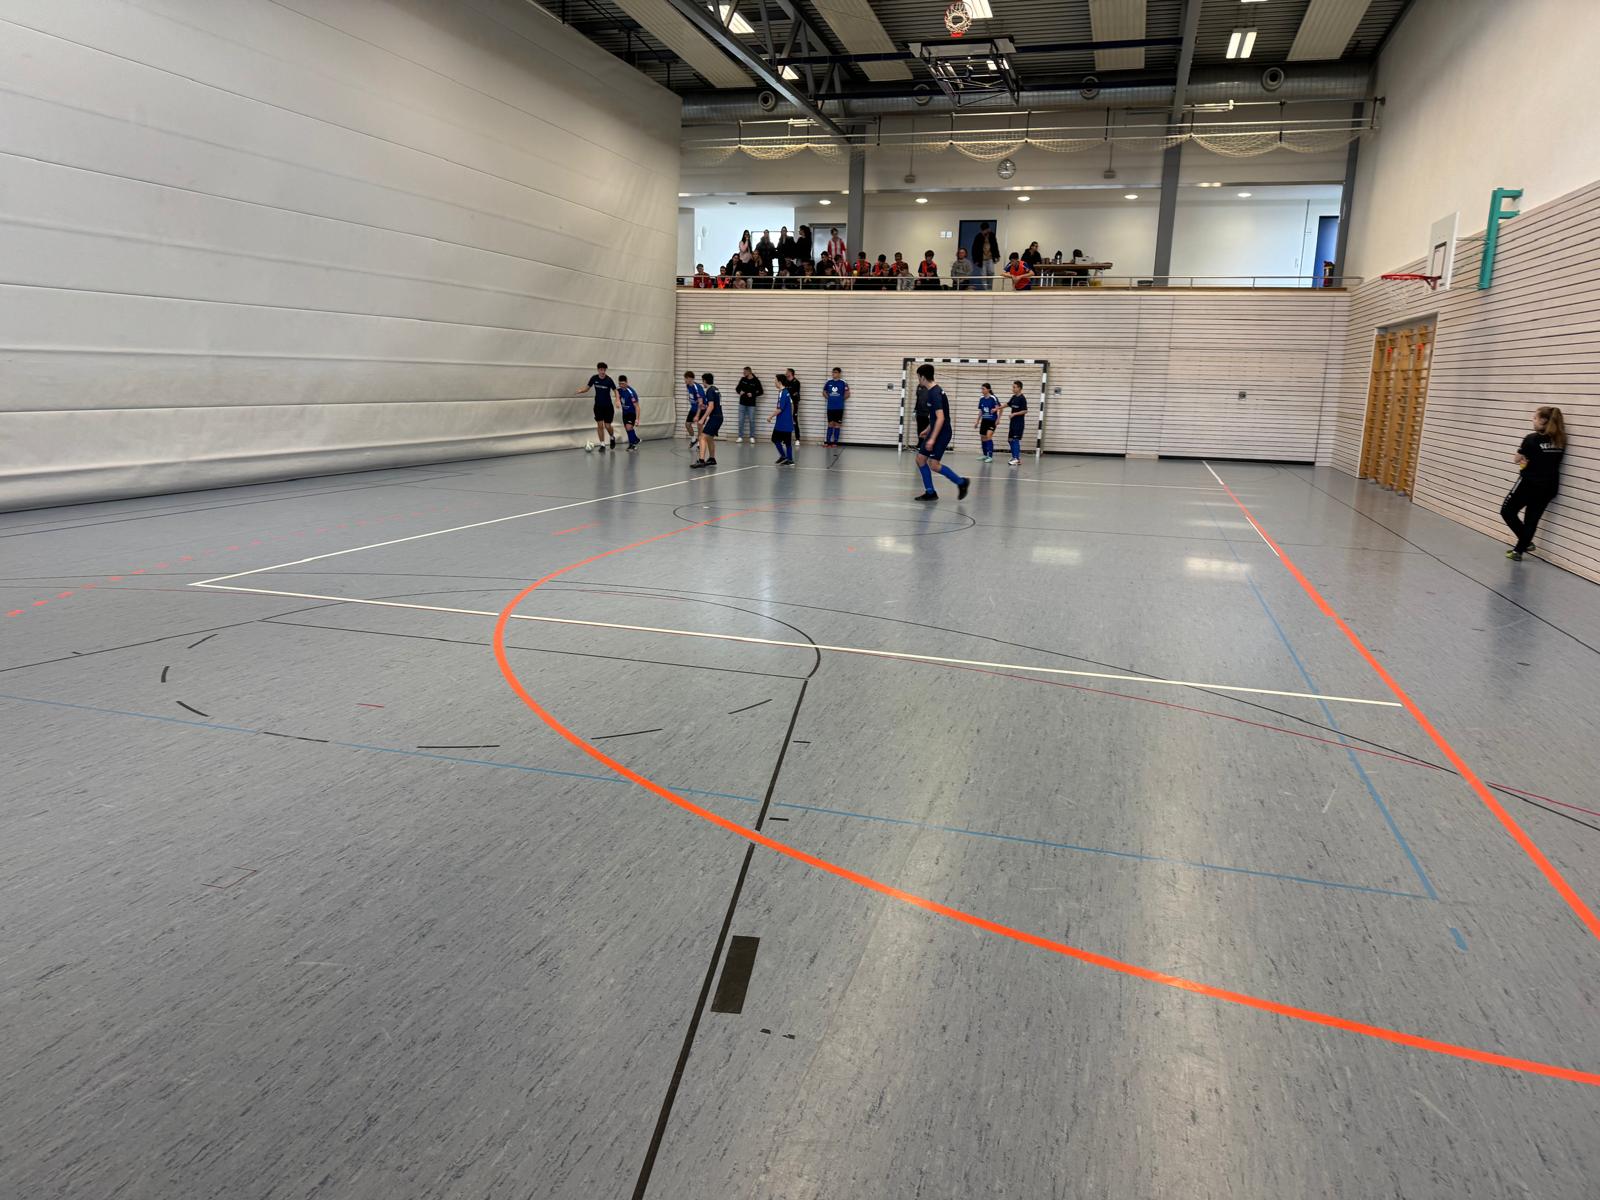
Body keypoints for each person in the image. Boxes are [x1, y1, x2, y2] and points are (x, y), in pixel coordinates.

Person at [1501, 406, 1567, 559]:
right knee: (1531, 519)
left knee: (1507, 511)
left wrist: (1525, 457)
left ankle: (1526, 542)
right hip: (1549, 486)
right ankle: (1518, 551)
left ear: (1543, 420)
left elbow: (1517, 459)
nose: (1533, 420)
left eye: (1535, 418)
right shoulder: (1561, 441)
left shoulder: (1531, 438)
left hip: (1528, 484)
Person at [912, 363, 970, 502]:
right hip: (936, 430)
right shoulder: (933, 391)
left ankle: (962, 482)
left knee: (934, 465)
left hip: (942, 433)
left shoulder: (935, 393)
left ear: (923, 377)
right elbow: (935, 417)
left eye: (918, 377)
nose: (918, 380)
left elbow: (941, 418)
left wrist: (932, 439)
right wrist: (928, 429)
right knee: (920, 459)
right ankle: (930, 492)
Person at [576, 362, 618, 450]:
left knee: (607, 426)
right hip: (598, 406)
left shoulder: (609, 380)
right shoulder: (594, 378)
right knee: (600, 425)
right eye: (601, 370)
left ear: (605, 370)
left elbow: (615, 390)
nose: (602, 372)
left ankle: (612, 437)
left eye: (604, 370)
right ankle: (602, 444)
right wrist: (581, 391)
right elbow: (587, 388)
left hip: (608, 406)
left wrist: (617, 400)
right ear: (598, 370)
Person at [692, 372, 722, 469]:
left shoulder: (709, 390)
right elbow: (713, 405)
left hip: (715, 417)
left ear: (705, 381)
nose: (702, 383)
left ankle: (701, 461)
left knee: (702, 437)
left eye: (703, 381)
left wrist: (702, 418)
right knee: (710, 438)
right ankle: (712, 459)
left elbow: (711, 406)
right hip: (719, 417)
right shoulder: (716, 389)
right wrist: (705, 406)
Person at [769, 374, 796, 466]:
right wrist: (790, 417)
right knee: (784, 441)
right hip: (785, 422)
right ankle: (787, 458)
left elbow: (780, 409)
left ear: (780, 382)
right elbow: (792, 405)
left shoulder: (783, 393)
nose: (774, 382)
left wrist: (770, 416)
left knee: (776, 439)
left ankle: (787, 458)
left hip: (783, 423)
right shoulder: (786, 392)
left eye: (775, 381)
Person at [735, 366, 763, 443]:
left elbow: (761, 391)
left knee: (752, 420)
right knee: (741, 420)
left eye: (745, 372)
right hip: (742, 403)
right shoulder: (743, 379)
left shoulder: (756, 381)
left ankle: (752, 437)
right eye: (743, 372)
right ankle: (740, 436)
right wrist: (739, 392)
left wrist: (753, 394)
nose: (743, 373)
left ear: (749, 372)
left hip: (751, 404)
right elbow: (737, 389)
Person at [1005, 379, 1029, 465]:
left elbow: (1025, 411)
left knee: (1015, 439)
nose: (1013, 389)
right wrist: (997, 408)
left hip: (1019, 423)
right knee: (1010, 440)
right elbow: (1008, 404)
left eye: (1014, 387)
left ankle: (1016, 458)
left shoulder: (1022, 398)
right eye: (1013, 387)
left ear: (1019, 388)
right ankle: (1015, 457)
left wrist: (1015, 414)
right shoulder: (1014, 397)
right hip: (1013, 423)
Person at [974, 382, 999, 463]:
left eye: (983, 389)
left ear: (988, 389)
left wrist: (998, 419)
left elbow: (1000, 408)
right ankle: (985, 455)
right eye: (981, 389)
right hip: (984, 420)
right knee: (983, 437)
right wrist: (977, 421)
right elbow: (981, 411)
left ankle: (990, 456)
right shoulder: (981, 398)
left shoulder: (993, 398)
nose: (982, 390)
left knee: (989, 436)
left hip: (992, 420)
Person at [823, 367, 849, 446]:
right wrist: (829, 398)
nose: (833, 373)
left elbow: (847, 394)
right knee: (830, 424)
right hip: (830, 407)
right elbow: (824, 392)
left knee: (837, 424)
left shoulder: (843, 382)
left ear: (839, 373)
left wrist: (840, 399)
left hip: (839, 407)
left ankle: (835, 442)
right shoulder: (828, 382)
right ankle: (828, 442)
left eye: (835, 372)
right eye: (833, 372)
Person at [971, 222, 999, 291]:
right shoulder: (978, 236)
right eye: (984, 230)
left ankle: (990, 288)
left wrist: (997, 256)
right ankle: (986, 289)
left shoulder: (992, 235)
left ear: (988, 229)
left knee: (991, 272)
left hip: (990, 258)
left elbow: (995, 245)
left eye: (987, 229)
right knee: (983, 275)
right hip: (982, 259)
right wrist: (975, 260)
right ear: (982, 230)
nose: (986, 231)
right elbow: (974, 249)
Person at [617, 374, 642, 451]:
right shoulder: (619, 390)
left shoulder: (631, 393)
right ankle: (636, 439)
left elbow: (637, 407)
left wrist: (637, 419)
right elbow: (616, 393)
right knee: (627, 428)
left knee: (628, 427)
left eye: (623, 383)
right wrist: (617, 401)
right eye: (620, 384)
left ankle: (632, 445)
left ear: (627, 382)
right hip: (625, 413)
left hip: (631, 413)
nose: (621, 385)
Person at [783, 367, 804, 444]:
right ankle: (785, 439)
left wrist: (789, 395)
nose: (786, 373)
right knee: (785, 421)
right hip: (786, 404)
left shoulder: (796, 382)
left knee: (794, 421)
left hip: (793, 404)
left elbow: (795, 393)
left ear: (791, 373)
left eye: (787, 372)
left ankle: (797, 439)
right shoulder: (785, 382)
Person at [683, 370, 704, 442]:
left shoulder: (697, 387)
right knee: (687, 424)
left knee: (699, 425)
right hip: (693, 408)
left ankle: (700, 442)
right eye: (684, 378)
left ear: (690, 378)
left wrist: (697, 415)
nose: (685, 380)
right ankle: (693, 439)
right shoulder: (688, 386)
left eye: (686, 378)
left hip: (700, 408)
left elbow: (701, 403)